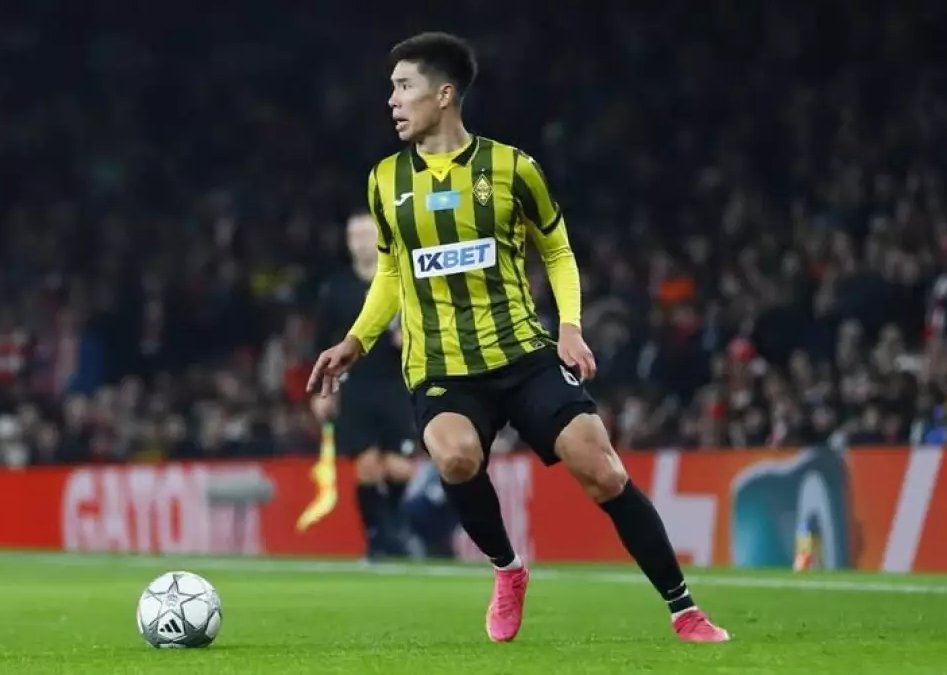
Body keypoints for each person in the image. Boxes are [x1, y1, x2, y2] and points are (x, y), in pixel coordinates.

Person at [307, 32, 730, 643]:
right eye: (391, 89)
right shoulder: (385, 181)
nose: (392, 101)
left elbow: (556, 250)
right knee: (455, 457)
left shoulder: (512, 168)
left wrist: (570, 327)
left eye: (403, 87)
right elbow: (393, 273)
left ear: (444, 94)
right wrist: (356, 341)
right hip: (441, 365)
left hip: (522, 353)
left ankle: (684, 608)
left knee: (604, 472)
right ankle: (508, 570)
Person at [312, 212, 417, 561]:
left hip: (398, 386)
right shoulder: (337, 289)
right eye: (353, 236)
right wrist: (322, 391)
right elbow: (321, 343)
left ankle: (393, 527)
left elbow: (429, 324)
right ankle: (377, 538)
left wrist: (410, 339)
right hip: (357, 387)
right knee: (368, 467)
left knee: (399, 468)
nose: (360, 242)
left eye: (366, 234)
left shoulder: (401, 282)